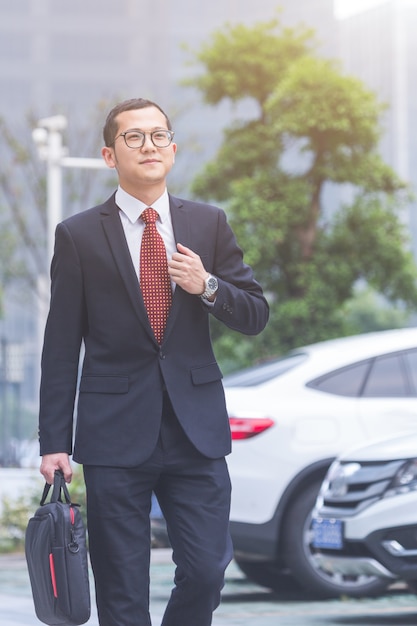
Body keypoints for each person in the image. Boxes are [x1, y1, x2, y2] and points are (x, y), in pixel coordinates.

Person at [39, 97, 269, 626]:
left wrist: (207, 285)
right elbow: (60, 344)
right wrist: (54, 440)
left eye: (159, 136)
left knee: (209, 568)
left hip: (195, 433)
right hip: (114, 434)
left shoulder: (207, 224)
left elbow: (255, 314)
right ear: (108, 154)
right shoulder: (77, 235)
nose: (149, 146)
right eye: (134, 137)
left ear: (173, 148)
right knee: (122, 589)